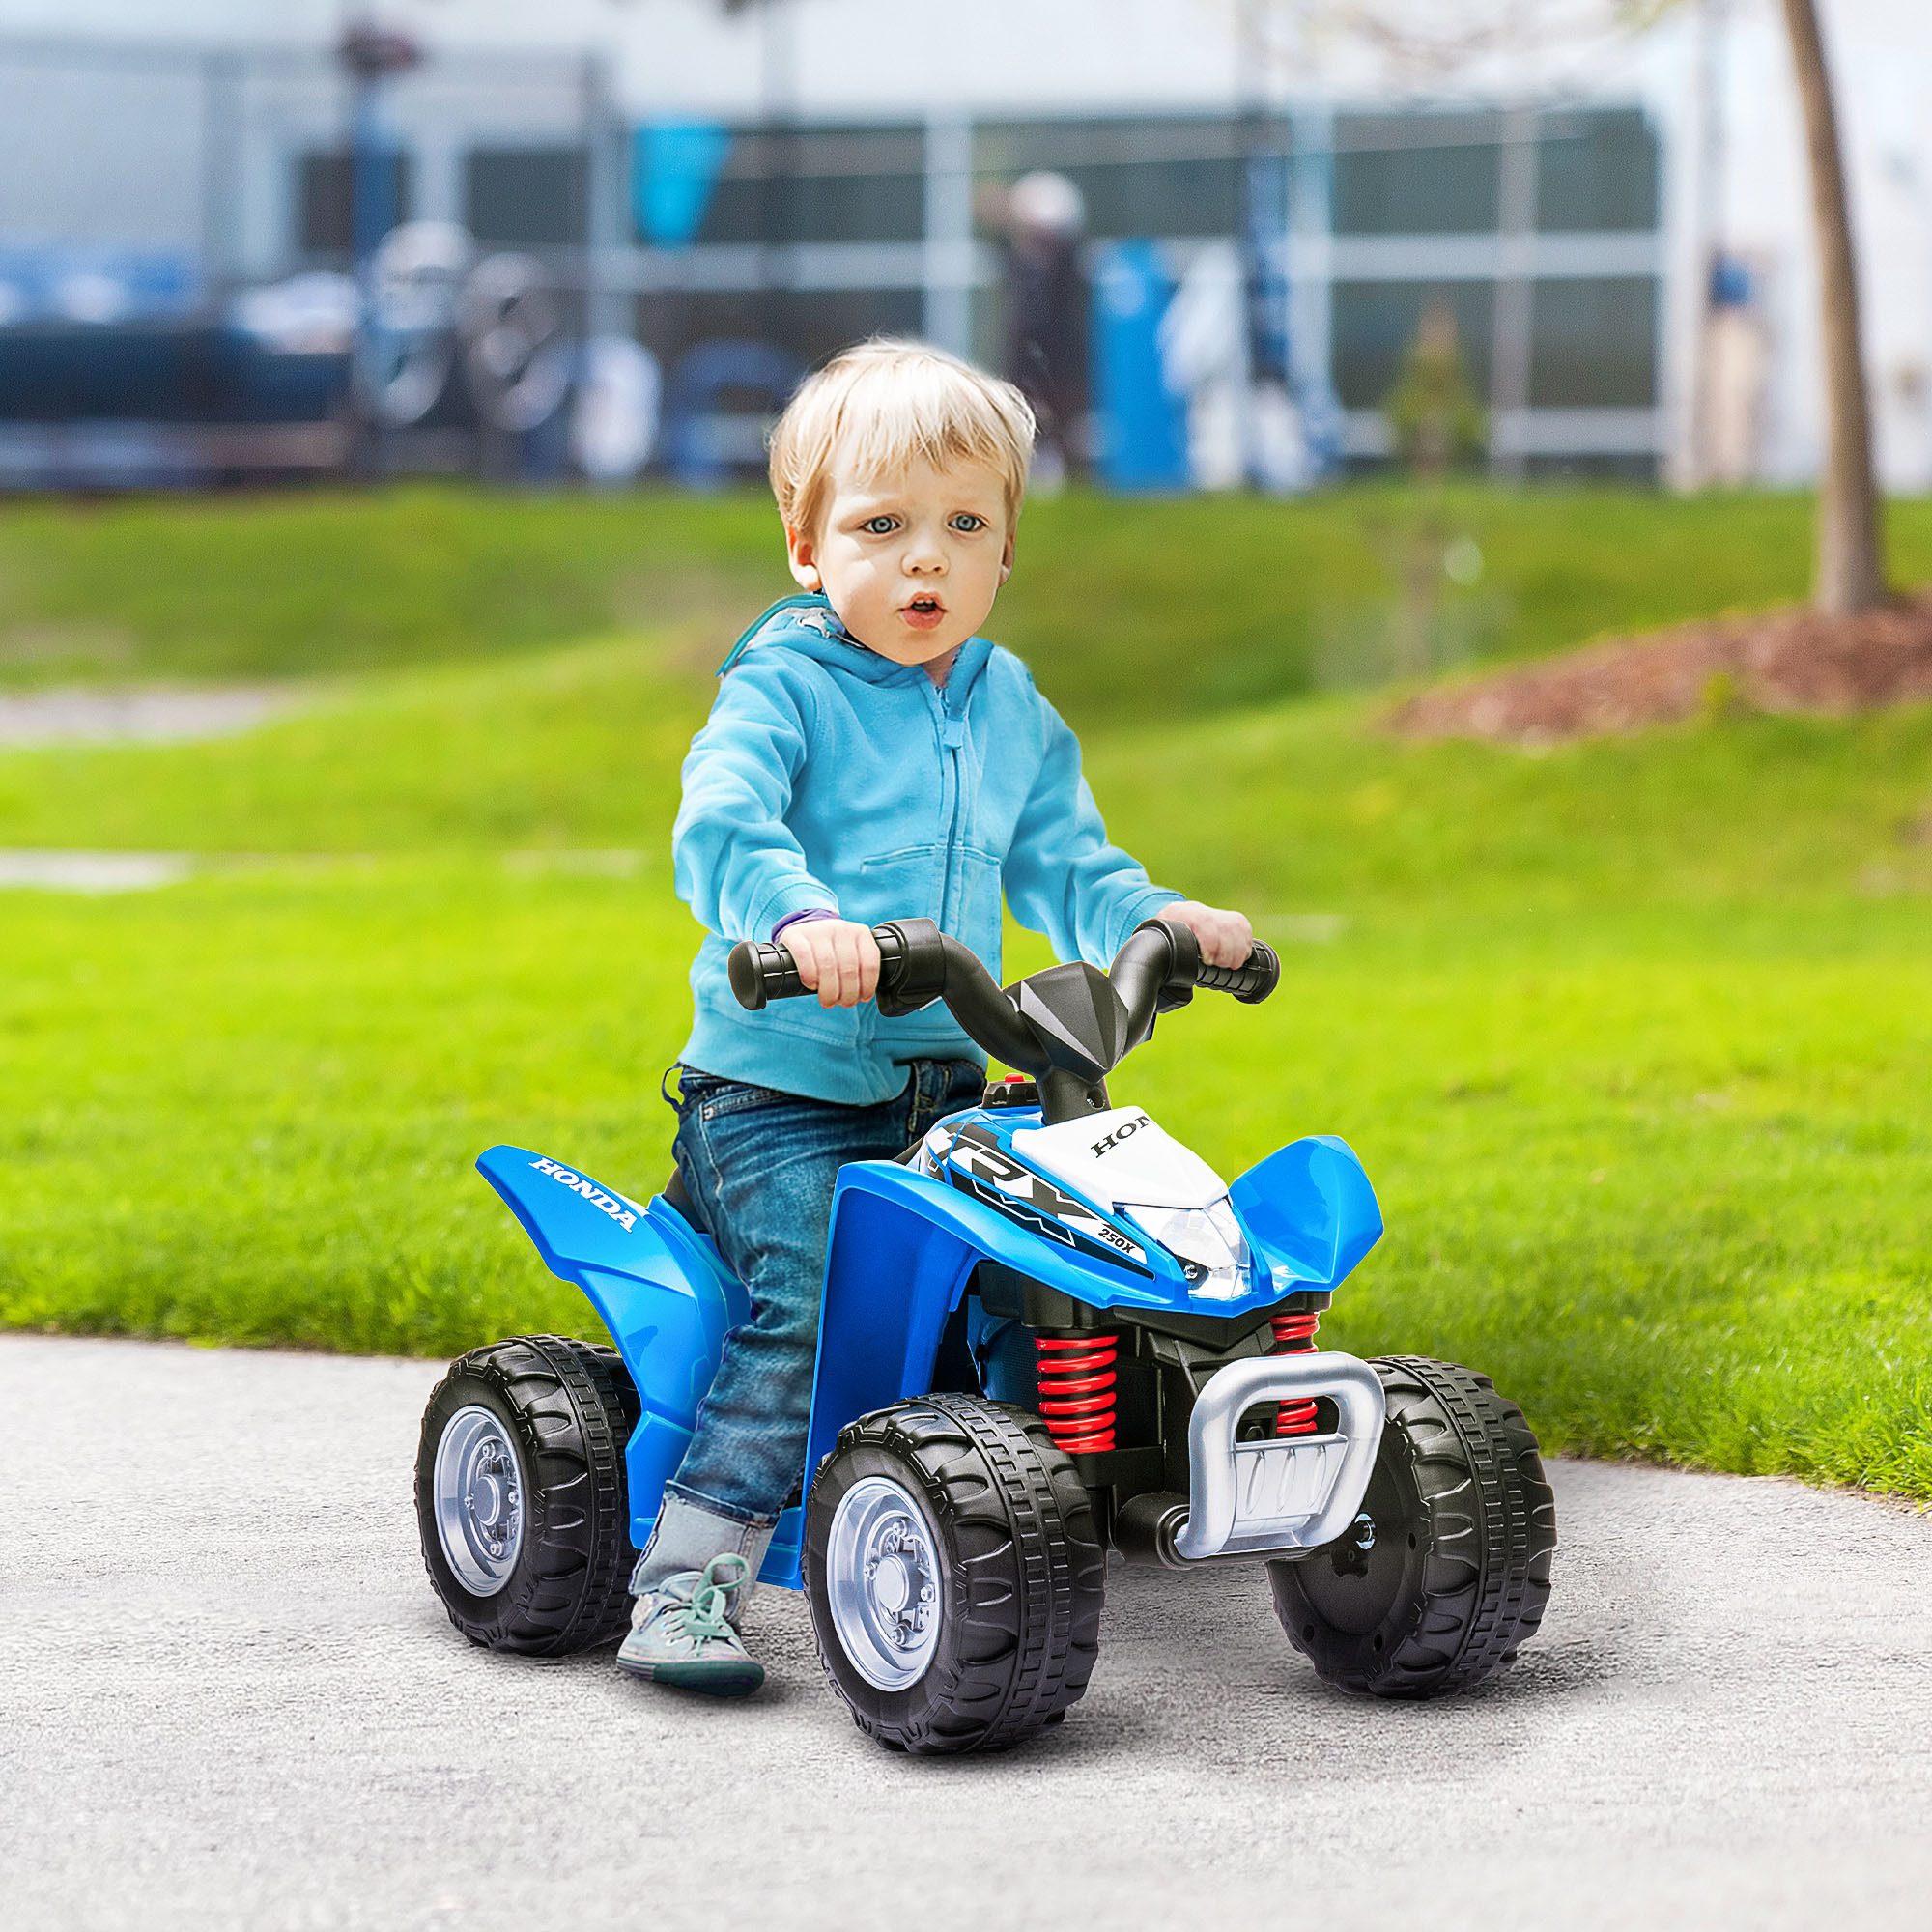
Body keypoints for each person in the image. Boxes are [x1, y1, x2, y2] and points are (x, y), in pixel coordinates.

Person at [618, 339, 1254, 1695]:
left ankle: (1016, 1534)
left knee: (1046, 1281)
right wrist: (796, 923)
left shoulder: (1005, 700)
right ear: (805, 545)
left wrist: (1162, 926)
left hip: (936, 1082)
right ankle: (688, 1574)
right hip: (777, 1097)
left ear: (1008, 547)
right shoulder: (781, 688)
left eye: (965, 526)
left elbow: (1070, 865)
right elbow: (720, 825)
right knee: (807, 1308)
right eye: (882, 526)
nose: (926, 563)